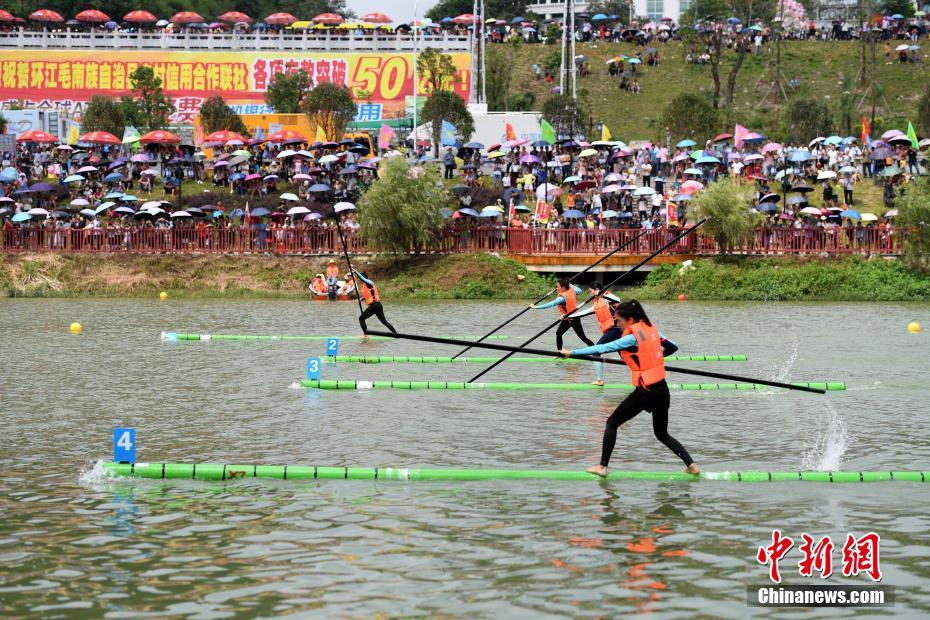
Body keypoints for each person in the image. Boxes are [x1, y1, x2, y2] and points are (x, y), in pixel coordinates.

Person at [560, 300, 700, 477]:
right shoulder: (652, 330)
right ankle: (692, 465)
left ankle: (602, 467)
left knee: (611, 423)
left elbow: (603, 347)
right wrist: (651, 360)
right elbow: (673, 347)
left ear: (630, 319)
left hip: (646, 390)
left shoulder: (631, 337)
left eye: (619, 320)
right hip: (662, 389)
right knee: (662, 433)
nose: (617, 324)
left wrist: (572, 353)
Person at [568, 284, 623, 385]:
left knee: (596, 352)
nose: (590, 293)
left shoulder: (608, 298)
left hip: (615, 330)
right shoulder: (597, 303)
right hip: (615, 331)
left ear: (597, 290)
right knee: (626, 354)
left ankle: (599, 380)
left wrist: (602, 294)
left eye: (591, 291)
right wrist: (567, 316)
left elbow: (618, 300)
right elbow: (583, 313)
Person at [530, 279, 594, 350]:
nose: (557, 288)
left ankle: (595, 350)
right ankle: (560, 351)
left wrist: (536, 307)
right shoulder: (573, 291)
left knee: (583, 337)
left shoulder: (562, 298)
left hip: (574, 319)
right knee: (559, 333)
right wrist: (569, 284)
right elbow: (579, 290)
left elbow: (551, 304)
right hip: (566, 318)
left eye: (558, 287)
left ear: (563, 287)